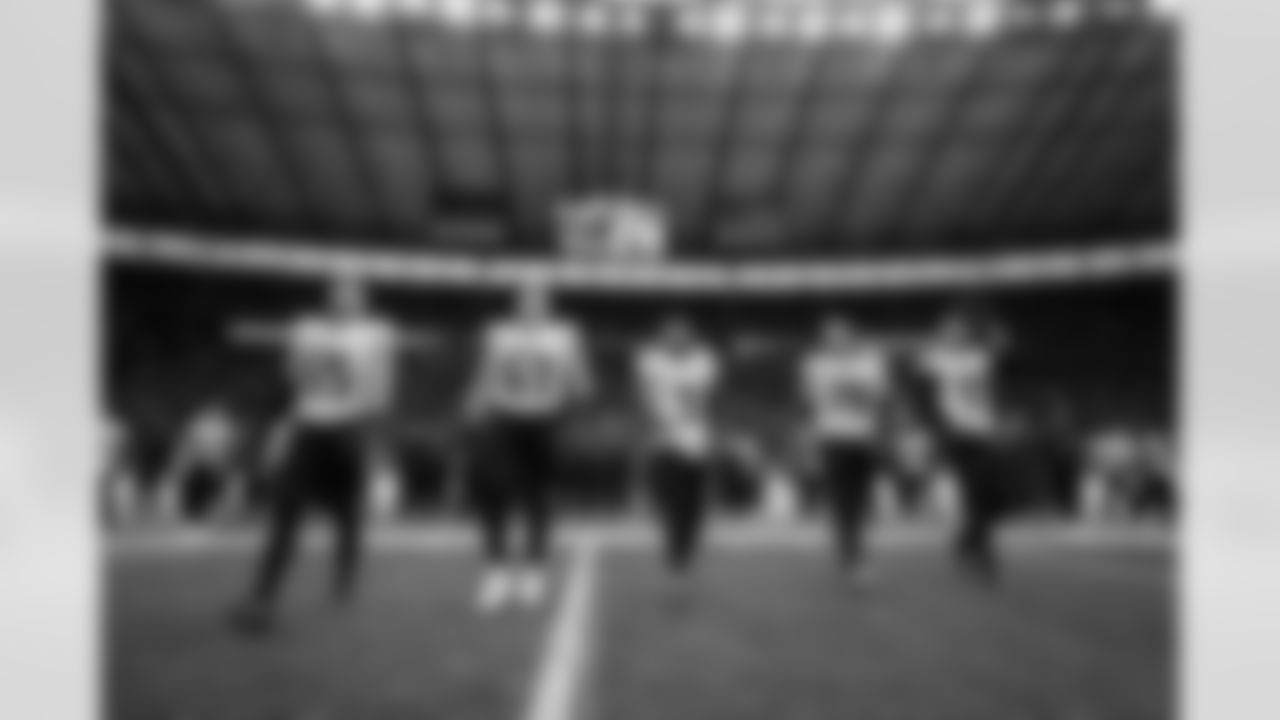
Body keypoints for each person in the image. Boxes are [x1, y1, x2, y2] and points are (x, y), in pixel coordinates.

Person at [227, 271, 432, 634]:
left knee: (348, 512)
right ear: (329, 297)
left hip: (348, 428)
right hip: (309, 426)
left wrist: (365, 420)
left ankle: (343, 582)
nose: (343, 300)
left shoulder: (375, 333)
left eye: (351, 294)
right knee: (286, 510)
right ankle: (262, 596)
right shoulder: (306, 328)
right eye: (338, 293)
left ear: (363, 301)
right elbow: (291, 376)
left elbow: (383, 390)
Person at [465, 276, 593, 613]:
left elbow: (580, 382)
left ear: (547, 305)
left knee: (539, 498)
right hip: (505, 418)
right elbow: (485, 374)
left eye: (538, 299)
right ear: (516, 303)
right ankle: (496, 571)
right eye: (525, 299)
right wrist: (474, 400)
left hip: (545, 419)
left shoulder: (565, 335)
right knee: (495, 494)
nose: (531, 305)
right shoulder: (498, 333)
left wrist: (578, 384)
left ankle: (534, 571)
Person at [912, 305, 1011, 584]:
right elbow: (918, 380)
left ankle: (967, 541)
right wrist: (933, 424)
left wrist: (993, 325)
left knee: (995, 495)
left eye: (960, 331)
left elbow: (1002, 346)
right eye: (949, 331)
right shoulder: (936, 358)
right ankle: (984, 553)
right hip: (957, 433)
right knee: (976, 491)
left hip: (985, 431)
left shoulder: (979, 357)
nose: (955, 336)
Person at [799, 315, 893, 584]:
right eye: (830, 337)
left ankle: (853, 553)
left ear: (853, 337)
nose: (836, 341)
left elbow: (877, 396)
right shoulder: (814, 364)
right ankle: (853, 557)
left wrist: (846, 387)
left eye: (841, 335)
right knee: (842, 501)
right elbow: (814, 398)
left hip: (864, 437)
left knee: (862, 501)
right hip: (833, 437)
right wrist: (852, 387)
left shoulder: (870, 361)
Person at [635, 315, 722, 579]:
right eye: (670, 335)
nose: (676, 340)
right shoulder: (651, 360)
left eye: (681, 335)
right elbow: (647, 394)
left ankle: (685, 548)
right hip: (663, 437)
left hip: (694, 436)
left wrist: (679, 422)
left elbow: (702, 399)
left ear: (690, 338)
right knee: (666, 495)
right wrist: (661, 420)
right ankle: (675, 546)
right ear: (662, 338)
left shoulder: (703, 361)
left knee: (691, 500)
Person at [156, 403, 246, 523]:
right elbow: (186, 447)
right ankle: (170, 516)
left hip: (218, 464)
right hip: (198, 463)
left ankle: (229, 516)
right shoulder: (196, 424)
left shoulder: (229, 427)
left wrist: (219, 461)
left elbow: (232, 451)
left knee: (236, 480)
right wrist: (182, 464)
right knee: (171, 478)